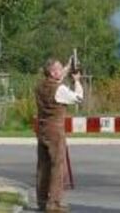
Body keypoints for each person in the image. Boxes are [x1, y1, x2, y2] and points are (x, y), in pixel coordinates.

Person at [36, 57, 83, 212]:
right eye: (58, 68)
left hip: (42, 129)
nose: (61, 70)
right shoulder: (59, 89)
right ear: (52, 71)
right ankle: (54, 203)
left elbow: (58, 76)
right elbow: (78, 98)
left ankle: (42, 200)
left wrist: (69, 66)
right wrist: (76, 81)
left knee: (43, 166)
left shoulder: (40, 86)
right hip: (55, 130)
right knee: (57, 166)